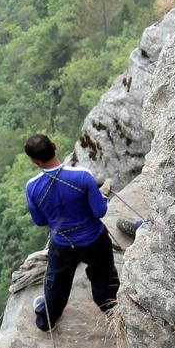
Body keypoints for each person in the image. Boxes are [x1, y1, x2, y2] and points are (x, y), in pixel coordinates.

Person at [23, 133, 119, 332]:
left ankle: (46, 321)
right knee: (103, 277)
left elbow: (40, 221)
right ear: (55, 146)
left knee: (56, 284)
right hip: (93, 239)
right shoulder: (82, 176)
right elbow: (100, 211)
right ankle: (113, 312)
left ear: (35, 161)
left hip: (62, 243)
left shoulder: (32, 187)